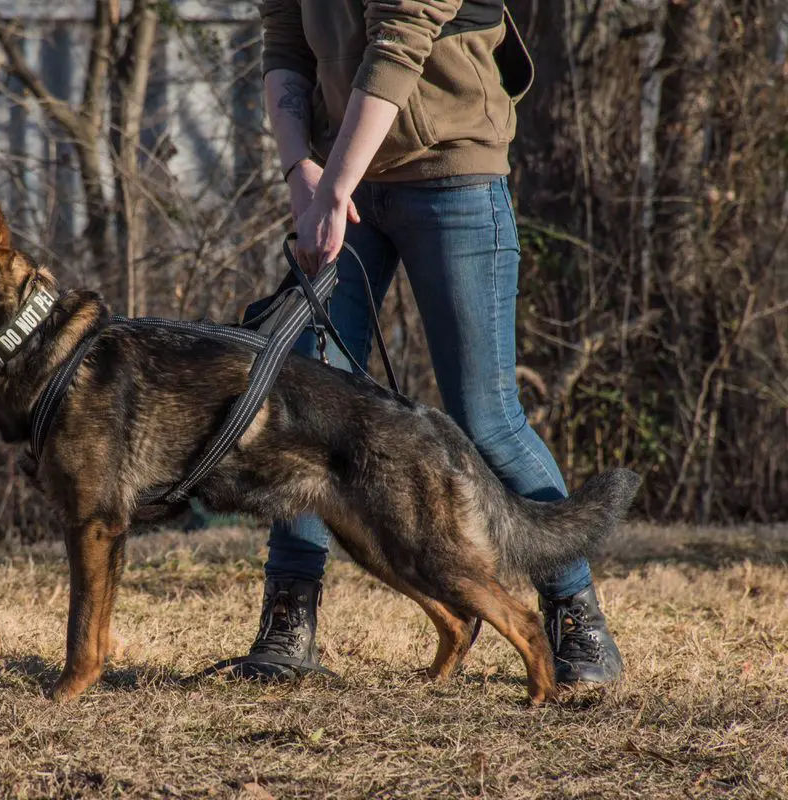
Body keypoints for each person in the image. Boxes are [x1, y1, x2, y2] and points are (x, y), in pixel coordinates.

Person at [212, 0, 623, 685]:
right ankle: (289, 620)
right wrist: (301, 172)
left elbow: (398, 41)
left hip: (452, 173)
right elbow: (284, 42)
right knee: (302, 411)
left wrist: (332, 183)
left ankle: (574, 617)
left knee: (485, 416)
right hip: (339, 188)